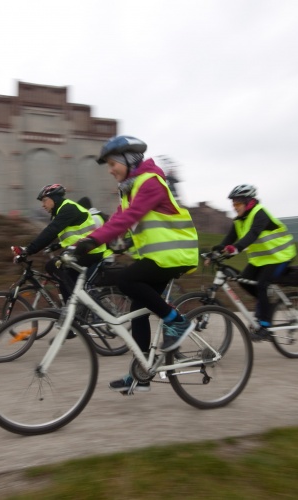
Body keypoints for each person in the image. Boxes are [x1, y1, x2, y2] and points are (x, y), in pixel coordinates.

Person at [74, 135, 199, 393]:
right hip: (158, 257)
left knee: (126, 280)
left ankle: (177, 321)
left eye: (112, 164)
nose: (110, 170)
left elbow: (129, 217)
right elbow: (115, 223)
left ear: (128, 160)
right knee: (138, 309)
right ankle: (141, 374)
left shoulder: (150, 182)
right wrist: (83, 243)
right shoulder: (130, 189)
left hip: (174, 254)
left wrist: (93, 241)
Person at [213, 184, 297, 340]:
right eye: (233, 203)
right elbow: (229, 238)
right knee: (244, 281)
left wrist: (236, 248)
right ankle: (266, 306)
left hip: (281, 256)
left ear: (248, 201)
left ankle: (265, 325)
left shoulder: (260, 213)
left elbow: (253, 234)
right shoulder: (239, 220)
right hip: (261, 259)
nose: (234, 207)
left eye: (237, 203)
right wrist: (216, 251)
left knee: (262, 284)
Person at [13, 184, 111, 303]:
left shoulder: (68, 208)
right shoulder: (60, 212)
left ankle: (77, 302)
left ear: (54, 198)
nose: (43, 205)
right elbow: (64, 235)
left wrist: (28, 250)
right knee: (62, 279)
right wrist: (55, 246)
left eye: (44, 200)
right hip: (81, 251)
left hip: (91, 251)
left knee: (53, 266)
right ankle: (70, 307)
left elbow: (51, 231)